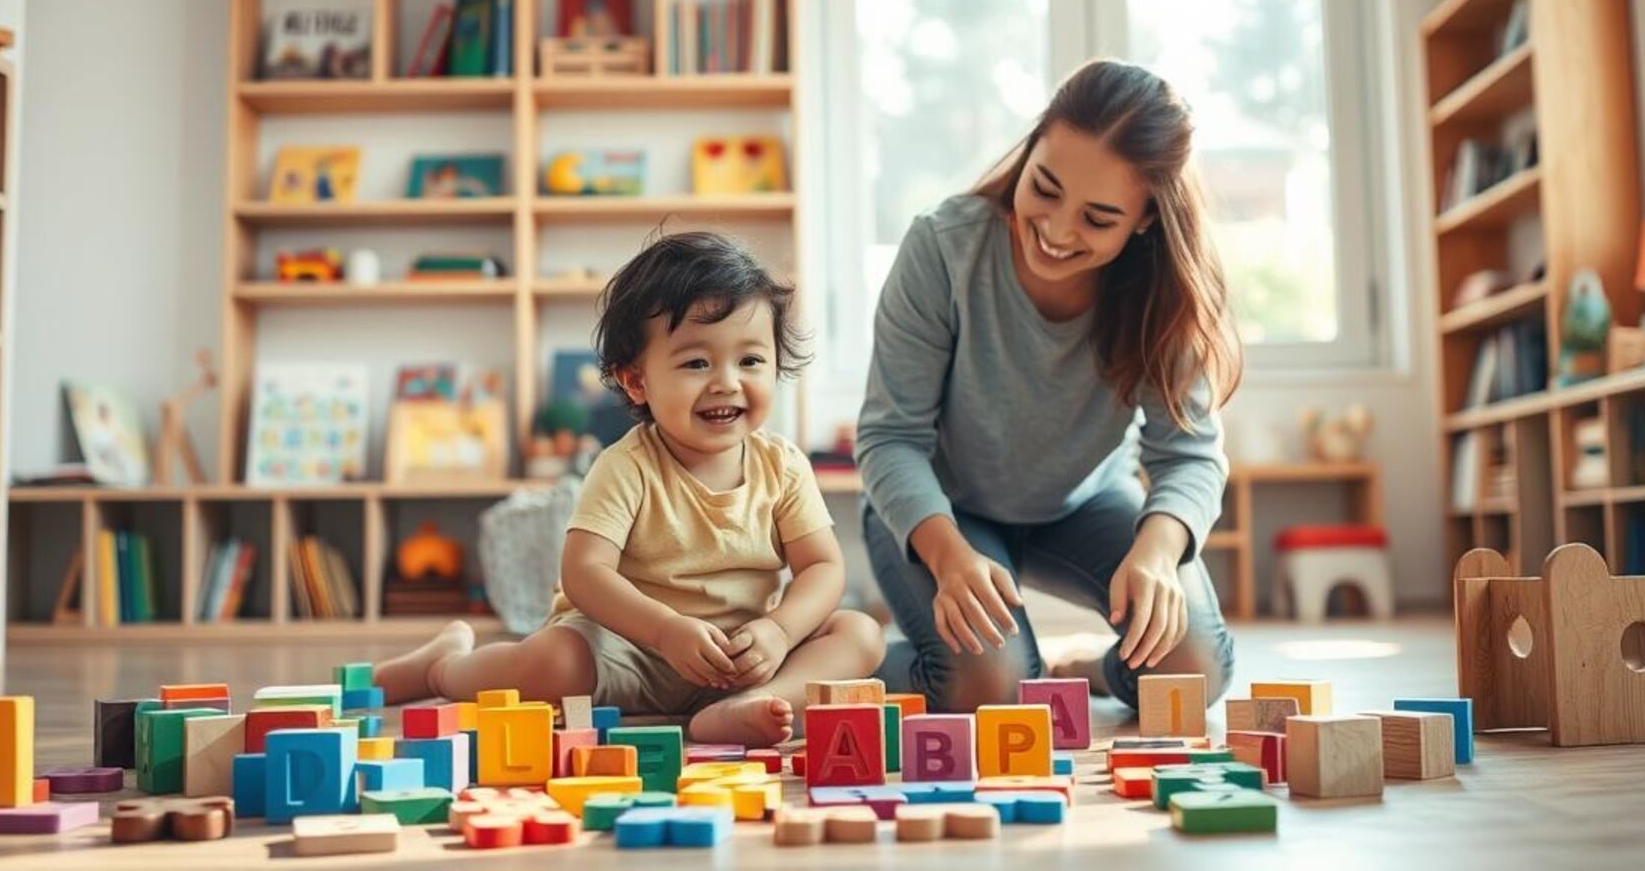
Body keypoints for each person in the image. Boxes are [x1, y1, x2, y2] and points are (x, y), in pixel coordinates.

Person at [376, 232, 883, 745]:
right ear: (637, 382)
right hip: (627, 651)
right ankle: (445, 668)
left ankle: (748, 706)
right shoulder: (627, 466)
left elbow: (821, 567)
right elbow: (584, 572)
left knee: (859, 634)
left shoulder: (783, 466)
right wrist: (664, 630)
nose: (727, 382)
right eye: (696, 363)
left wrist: (780, 630)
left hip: (741, 658)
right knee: (554, 661)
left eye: (750, 360)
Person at [857, 59, 1242, 713]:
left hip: (1085, 507)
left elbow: (1189, 452)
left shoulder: (1163, 293)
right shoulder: (942, 249)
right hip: (948, 515)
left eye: (1098, 219)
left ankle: (1086, 670)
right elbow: (891, 438)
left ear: (1146, 219)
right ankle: (837, 658)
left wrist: (1158, 548)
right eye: (1045, 187)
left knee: (1191, 669)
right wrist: (949, 558)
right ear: (1030, 147)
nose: (1059, 231)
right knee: (995, 687)